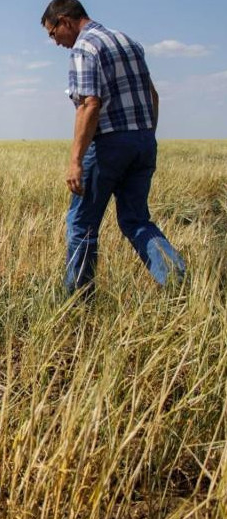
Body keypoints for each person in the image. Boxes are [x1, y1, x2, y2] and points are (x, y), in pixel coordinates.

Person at [41, 0, 186, 297]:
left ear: (65, 21)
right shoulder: (127, 41)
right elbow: (153, 95)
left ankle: (77, 299)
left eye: (53, 34)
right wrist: (145, 136)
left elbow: (89, 104)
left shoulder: (85, 47)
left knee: (82, 224)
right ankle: (177, 280)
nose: (56, 43)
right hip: (144, 140)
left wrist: (76, 161)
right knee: (136, 220)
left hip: (109, 144)